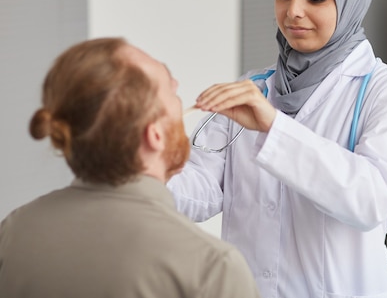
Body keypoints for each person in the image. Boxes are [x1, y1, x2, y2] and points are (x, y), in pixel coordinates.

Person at [168, 0, 387, 298]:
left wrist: (274, 127)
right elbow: (205, 190)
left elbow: (371, 201)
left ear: (349, 1)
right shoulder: (253, 86)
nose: (293, 12)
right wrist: (141, 171)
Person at [0, 37, 261, 298]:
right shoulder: (214, 267)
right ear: (155, 135)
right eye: (172, 90)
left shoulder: (12, 231)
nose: (178, 87)